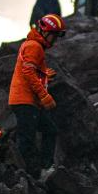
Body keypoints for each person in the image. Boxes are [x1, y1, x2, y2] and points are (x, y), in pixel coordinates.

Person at [9, 13, 66, 179]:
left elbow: (30, 70)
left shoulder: (33, 45)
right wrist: (44, 96)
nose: (55, 41)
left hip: (28, 101)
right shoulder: (35, 46)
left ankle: (43, 169)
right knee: (27, 139)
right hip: (25, 101)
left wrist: (45, 74)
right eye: (54, 36)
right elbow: (27, 72)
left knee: (49, 131)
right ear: (46, 32)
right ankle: (23, 175)